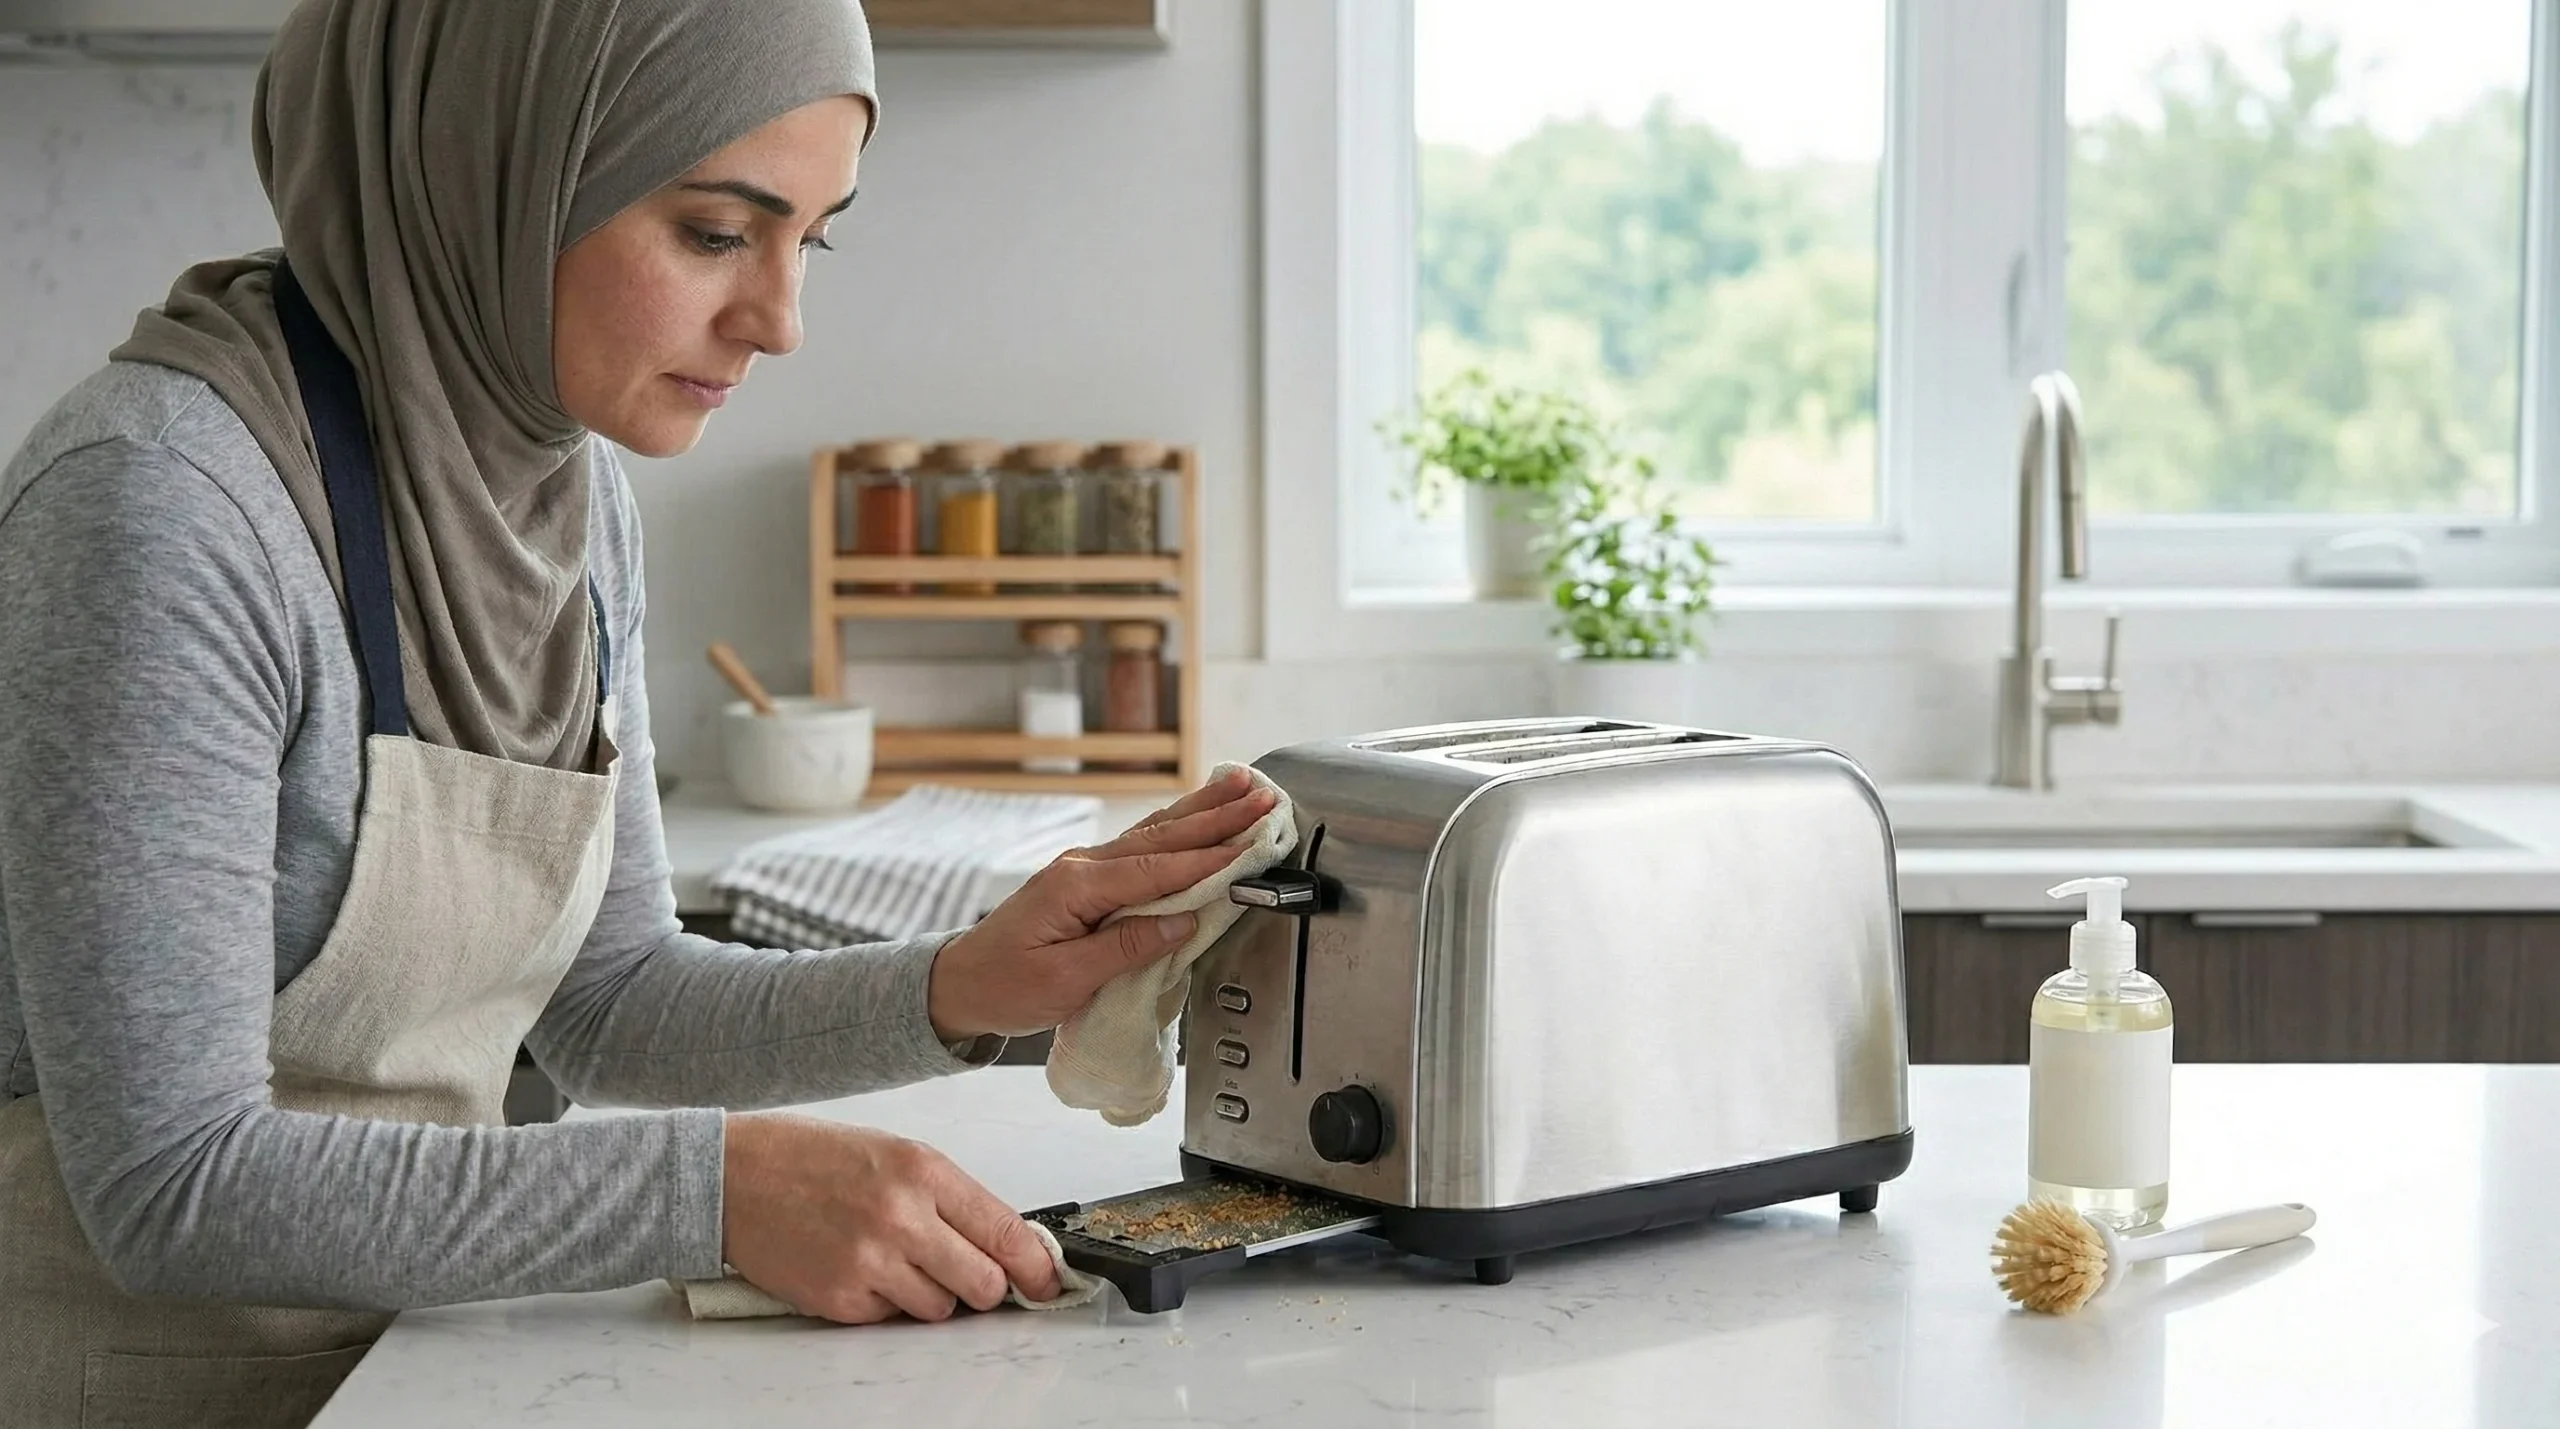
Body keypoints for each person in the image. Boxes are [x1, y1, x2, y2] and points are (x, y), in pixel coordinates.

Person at [0, 2, 1268, 1423]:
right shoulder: (159, 510)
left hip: (418, 1366)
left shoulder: (564, 487)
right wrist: (716, 1192)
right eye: (718, 234)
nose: (781, 321)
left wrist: (961, 986)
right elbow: (171, 1185)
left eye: (814, 237)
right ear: (490, 162)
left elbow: (610, 1005)